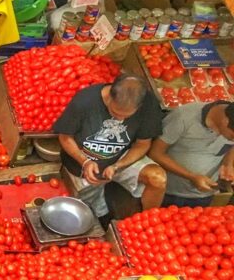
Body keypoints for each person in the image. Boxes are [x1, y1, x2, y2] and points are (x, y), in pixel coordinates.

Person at [53, 75, 166, 218]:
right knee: (84, 210)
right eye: (115, 113)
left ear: (139, 106)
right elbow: (65, 137)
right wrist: (85, 162)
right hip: (82, 158)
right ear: (109, 97)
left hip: (123, 155)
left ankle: (148, 220)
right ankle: (100, 215)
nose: (120, 119)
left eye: (127, 116)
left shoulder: (149, 106)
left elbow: (142, 144)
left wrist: (117, 166)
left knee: (157, 178)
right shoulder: (85, 101)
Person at [149, 100, 234, 207]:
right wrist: (192, 176)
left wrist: (228, 164)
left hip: (204, 196)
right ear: (225, 122)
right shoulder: (184, 117)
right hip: (168, 192)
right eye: (232, 136)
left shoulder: (230, 125)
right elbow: (155, 153)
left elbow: (231, 146)